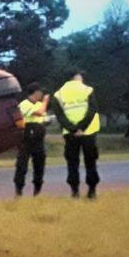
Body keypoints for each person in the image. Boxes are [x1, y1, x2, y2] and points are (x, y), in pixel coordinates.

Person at [50, 70, 101, 199]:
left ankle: (74, 192)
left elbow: (60, 116)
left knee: (72, 162)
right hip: (88, 132)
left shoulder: (58, 94)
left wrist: (73, 129)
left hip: (70, 134)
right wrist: (82, 127)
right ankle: (92, 191)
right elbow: (92, 110)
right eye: (80, 75)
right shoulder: (88, 90)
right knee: (90, 161)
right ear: (76, 77)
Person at [14, 82, 49, 196]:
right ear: (35, 92)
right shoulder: (25, 104)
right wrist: (45, 102)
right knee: (22, 165)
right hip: (27, 137)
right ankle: (19, 189)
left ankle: (37, 190)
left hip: (38, 138)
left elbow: (43, 117)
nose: (42, 94)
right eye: (40, 92)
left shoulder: (39, 104)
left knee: (39, 164)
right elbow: (39, 113)